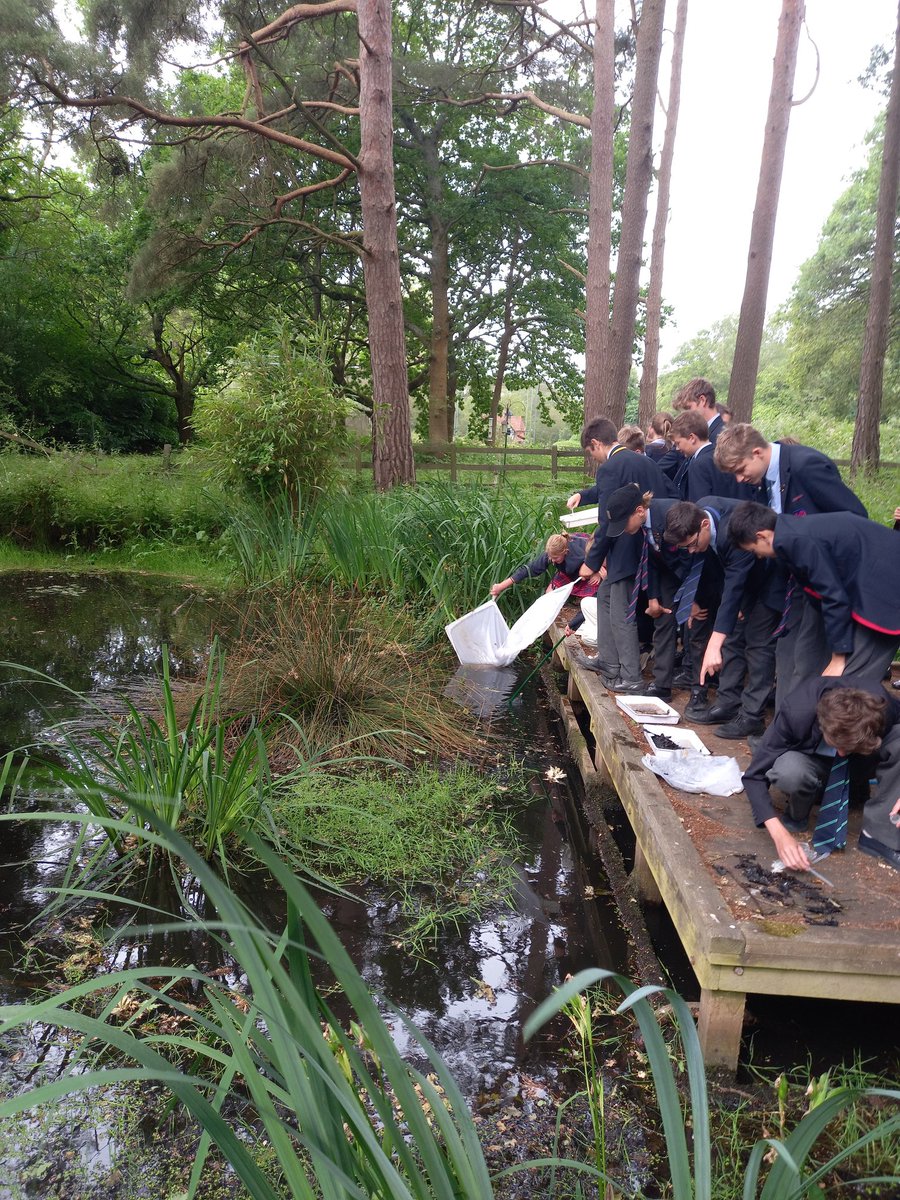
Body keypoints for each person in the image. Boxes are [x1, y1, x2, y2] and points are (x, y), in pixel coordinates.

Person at [714, 424, 868, 706]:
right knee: (788, 651)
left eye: (739, 469)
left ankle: (808, 731)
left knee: (810, 656)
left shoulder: (806, 465)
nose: (739, 478)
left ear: (757, 452)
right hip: (795, 579)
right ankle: (786, 728)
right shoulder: (761, 480)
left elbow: (855, 519)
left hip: (831, 581)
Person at [728, 502, 900, 684]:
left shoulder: (797, 541)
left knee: (852, 681)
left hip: (886, 594)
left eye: (754, 551)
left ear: (761, 536)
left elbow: (833, 597)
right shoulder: (792, 529)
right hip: (872, 586)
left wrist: (838, 658)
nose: (759, 556)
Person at [742, 677, 900, 873]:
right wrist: (779, 834)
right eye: (838, 745)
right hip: (812, 762)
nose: (841, 753)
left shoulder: (882, 706)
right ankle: (798, 812)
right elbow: (753, 776)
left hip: (862, 763)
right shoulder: (797, 711)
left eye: (848, 748)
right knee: (789, 769)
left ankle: (878, 833)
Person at [565, 418, 676, 691]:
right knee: (604, 598)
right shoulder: (645, 460)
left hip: (625, 547)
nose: (595, 460)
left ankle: (630, 676)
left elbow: (607, 522)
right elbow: (630, 492)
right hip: (650, 541)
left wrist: (590, 563)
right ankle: (608, 661)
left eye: (592, 454)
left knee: (621, 612)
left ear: (595, 443)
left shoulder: (610, 468)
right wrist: (584, 494)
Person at [663, 497, 782, 734]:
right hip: (738, 581)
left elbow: (735, 583)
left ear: (704, 525)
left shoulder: (732, 534)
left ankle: (752, 716)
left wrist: (713, 644)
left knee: (758, 644)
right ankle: (728, 703)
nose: (692, 551)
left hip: (771, 577)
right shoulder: (700, 510)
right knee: (733, 638)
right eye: (687, 548)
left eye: (693, 544)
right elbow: (719, 574)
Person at [601, 483, 687, 699]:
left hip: (690, 573)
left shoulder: (672, 515)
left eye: (623, 523)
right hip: (666, 572)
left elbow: (691, 559)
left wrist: (692, 596)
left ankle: (695, 681)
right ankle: (662, 685)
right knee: (663, 622)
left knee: (694, 627)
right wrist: (653, 597)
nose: (622, 530)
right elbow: (652, 562)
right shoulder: (641, 527)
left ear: (639, 510)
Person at [490, 531, 598, 632]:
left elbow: (599, 555)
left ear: (566, 552)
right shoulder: (551, 555)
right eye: (550, 557)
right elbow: (528, 570)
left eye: (555, 558)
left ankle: (585, 619)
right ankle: (548, 622)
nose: (552, 560)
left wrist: (597, 572)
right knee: (549, 593)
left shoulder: (578, 555)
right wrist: (501, 586)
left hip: (589, 570)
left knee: (591, 598)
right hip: (569, 573)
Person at [669, 410, 758, 503]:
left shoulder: (698, 465)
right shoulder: (726, 455)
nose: (677, 448)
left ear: (692, 438)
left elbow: (701, 504)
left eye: (678, 443)